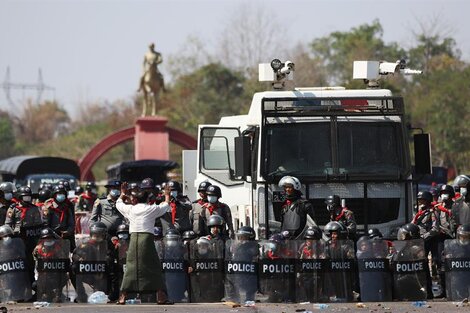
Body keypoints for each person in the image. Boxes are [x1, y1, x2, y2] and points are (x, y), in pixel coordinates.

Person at [115, 182, 173, 305]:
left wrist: (123, 194)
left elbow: (118, 204)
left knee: (131, 267)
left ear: (135, 200)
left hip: (134, 239)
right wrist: (167, 195)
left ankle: (123, 296)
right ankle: (160, 296)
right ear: (147, 199)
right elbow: (166, 206)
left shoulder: (131, 209)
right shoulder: (151, 209)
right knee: (153, 266)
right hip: (147, 239)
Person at [412, 190, 452, 297]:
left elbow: (435, 228)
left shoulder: (432, 212)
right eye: (420, 200)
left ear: (428, 200)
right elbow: (413, 225)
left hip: (432, 240)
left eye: (423, 200)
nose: (421, 202)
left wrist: (423, 237)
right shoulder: (419, 213)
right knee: (423, 266)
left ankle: (444, 291)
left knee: (438, 264)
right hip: (421, 243)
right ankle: (427, 292)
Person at [5, 186, 43, 285]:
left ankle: (31, 282)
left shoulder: (34, 209)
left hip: (30, 239)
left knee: (30, 262)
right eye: (25, 197)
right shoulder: (13, 208)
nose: (27, 199)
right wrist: (11, 233)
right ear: (20, 197)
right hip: (16, 239)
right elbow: (8, 224)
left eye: (29, 197)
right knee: (17, 262)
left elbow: (38, 224)